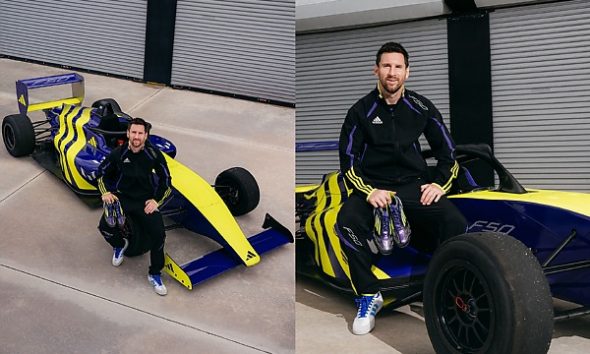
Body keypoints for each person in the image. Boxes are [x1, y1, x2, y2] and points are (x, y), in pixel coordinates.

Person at [336, 42, 468, 334]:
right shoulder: (360, 111)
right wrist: (368, 191)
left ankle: (442, 287)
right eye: (386, 66)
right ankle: (369, 295)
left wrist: (439, 184)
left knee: (455, 222)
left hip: (413, 186)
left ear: (407, 72)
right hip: (373, 189)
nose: (391, 72)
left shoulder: (421, 107)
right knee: (345, 223)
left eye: (397, 67)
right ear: (376, 70)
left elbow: (448, 153)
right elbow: (348, 162)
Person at [96, 117, 172, 296]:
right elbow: (101, 173)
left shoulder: (153, 155)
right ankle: (118, 245)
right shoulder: (118, 153)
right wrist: (105, 192)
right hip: (121, 197)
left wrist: (156, 201)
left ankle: (154, 274)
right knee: (104, 227)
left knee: (159, 235)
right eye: (134, 132)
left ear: (146, 135)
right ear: (128, 133)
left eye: (140, 133)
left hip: (145, 201)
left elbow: (166, 181)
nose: (136, 136)